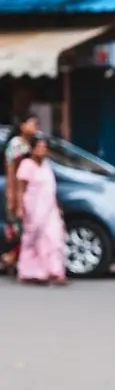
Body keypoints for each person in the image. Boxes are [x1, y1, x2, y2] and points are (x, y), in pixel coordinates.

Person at [14, 136, 66, 285]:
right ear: (32, 149)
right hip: (33, 208)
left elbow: (51, 189)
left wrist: (57, 206)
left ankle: (55, 272)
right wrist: (19, 207)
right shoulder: (26, 165)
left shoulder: (46, 166)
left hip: (49, 209)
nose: (42, 150)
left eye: (44, 147)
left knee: (55, 238)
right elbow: (20, 189)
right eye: (39, 147)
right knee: (33, 240)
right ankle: (30, 272)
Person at [4, 114, 40, 275]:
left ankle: (14, 260)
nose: (35, 127)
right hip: (18, 191)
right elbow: (11, 171)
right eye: (32, 124)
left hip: (31, 193)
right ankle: (9, 258)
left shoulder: (30, 144)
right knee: (20, 230)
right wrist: (12, 196)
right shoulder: (16, 144)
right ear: (22, 126)